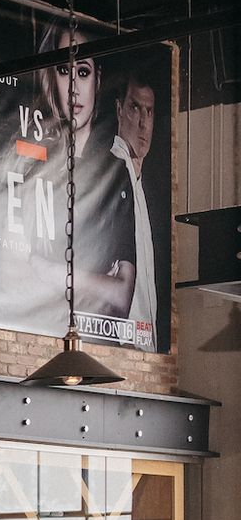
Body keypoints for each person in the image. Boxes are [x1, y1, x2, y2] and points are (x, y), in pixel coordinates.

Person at [30, 25, 137, 334]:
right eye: (64, 70)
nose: (75, 87)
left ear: (98, 80)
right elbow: (12, 277)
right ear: (50, 78)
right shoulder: (29, 168)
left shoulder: (114, 175)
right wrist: (96, 281)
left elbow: (121, 297)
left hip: (96, 343)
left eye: (84, 72)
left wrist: (48, 272)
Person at [109, 69, 159, 349]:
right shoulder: (115, 173)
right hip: (124, 343)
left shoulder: (136, 179)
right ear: (119, 109)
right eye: (135, 108)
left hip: (142, 345)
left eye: (149, 112)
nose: (143, 123)